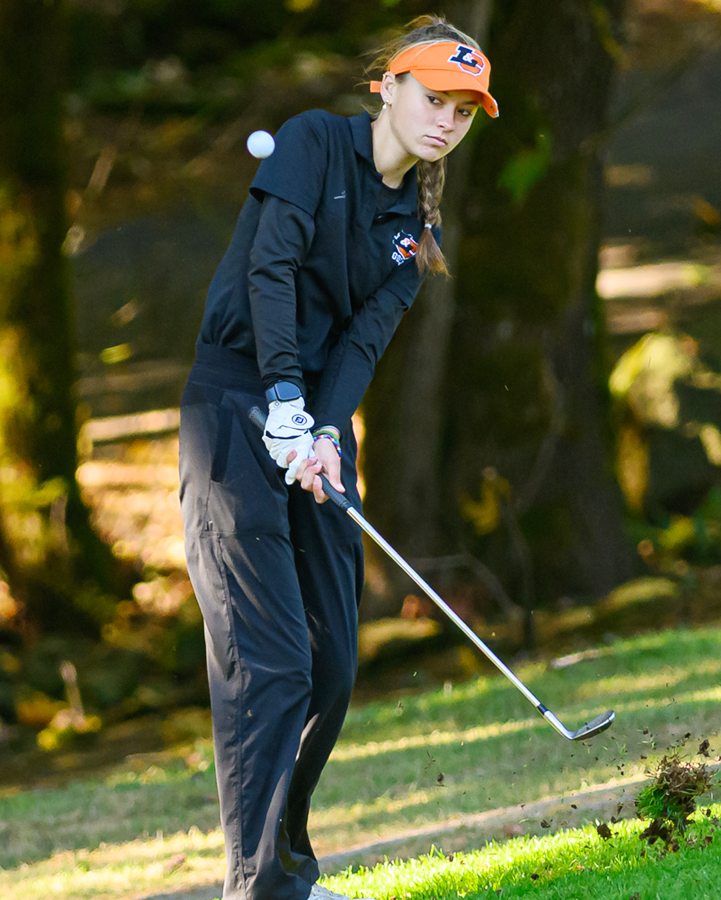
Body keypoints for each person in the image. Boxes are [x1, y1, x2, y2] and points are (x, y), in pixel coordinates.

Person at [176, 15, 499, 900]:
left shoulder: (416, 231)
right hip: (235, 405)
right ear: (387, 89)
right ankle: (267, 885)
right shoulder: (315, 144)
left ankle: (285, 864)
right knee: (270, 660)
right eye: (433, 99)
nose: (445, 122)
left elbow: (363, 341)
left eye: (462, 113)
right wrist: (281, 399)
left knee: (331, 662)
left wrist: (321, 427)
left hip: (314, 421)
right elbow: (267, 272)